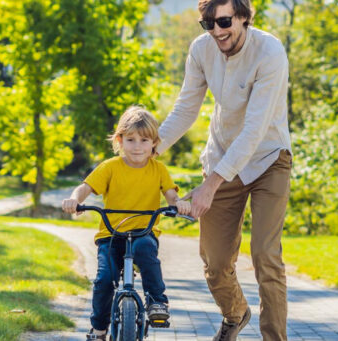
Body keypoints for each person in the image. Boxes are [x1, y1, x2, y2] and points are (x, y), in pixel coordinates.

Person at [154, 0, 292, 339]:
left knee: (265, 256)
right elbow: (186, 109)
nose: (217, 30)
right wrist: (146, 151)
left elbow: (254, 130)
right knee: (215, 263)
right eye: (208, 24)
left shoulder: (270, 52)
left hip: (268, 159)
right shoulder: (202, 50)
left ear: (244, 17)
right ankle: (235, 314)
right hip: (221, 156)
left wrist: (209, 186)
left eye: (225, 21)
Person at [62, 106, 192, 340]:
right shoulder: (110, 167)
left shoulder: (159, 169)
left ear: (154, 143)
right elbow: (85, 188)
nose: (137, 146)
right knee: (104, 279)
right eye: (130, 140)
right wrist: (74, 199)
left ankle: (157, 302)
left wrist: (179, 204)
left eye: (144, 140)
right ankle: (99, 329)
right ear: (120, 140)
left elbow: (171, 195)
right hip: (111, 234)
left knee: (146, 252)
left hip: (144, 232)